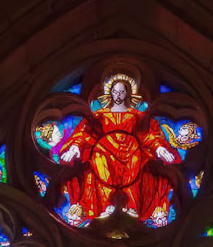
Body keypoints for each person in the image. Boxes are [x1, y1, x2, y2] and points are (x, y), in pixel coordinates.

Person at [41, 72, 189, 227]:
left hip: (132, 151)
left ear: (128, 93)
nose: (118, 95)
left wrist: (159, 148)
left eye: (122, 91)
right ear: (110, 93)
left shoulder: (136, 115)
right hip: (104, 151)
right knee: (99, 160)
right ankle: (105, 205)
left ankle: (132, 204)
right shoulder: (100, 115)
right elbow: (86, 132)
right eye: (115, 91)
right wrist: (75, 146)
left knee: (135, 161)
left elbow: (148, 134)